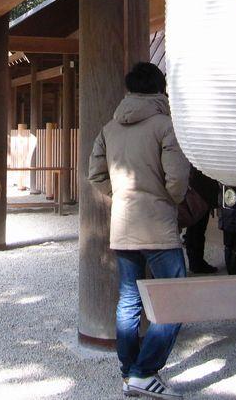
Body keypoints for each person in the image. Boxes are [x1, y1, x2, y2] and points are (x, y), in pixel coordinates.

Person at [88, 62, 190, 400]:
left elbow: (95, 174)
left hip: (123, 224)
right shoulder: (165, 125)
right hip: (158, 224)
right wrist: (169, 199)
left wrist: (119, 195)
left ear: (129, 89)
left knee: (129, 300)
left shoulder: (109, 128)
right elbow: (177, 180)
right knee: (176, 299)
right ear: (160, 89)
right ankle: (144, 372)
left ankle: (128, 372)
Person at [182, 166, 220, 274]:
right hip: (200, 192)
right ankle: (196, 262)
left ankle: (196, 261)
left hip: (199, 190)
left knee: (196, 229)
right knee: (197, 229)